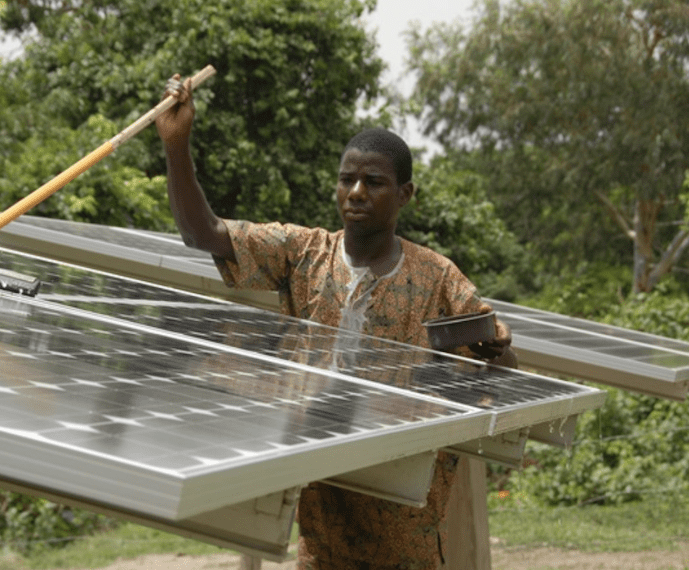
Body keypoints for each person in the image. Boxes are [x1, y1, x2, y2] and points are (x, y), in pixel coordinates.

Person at [155, 74, 516, 570]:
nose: (357, 191)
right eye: (347, 179)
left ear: (406, 194)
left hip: (404, 513)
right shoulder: (303, 253)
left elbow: (502, 364)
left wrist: (497, 349)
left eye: (374, 181)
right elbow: (204, 233)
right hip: (324, 514)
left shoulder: (438, 278)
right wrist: (177, 146)